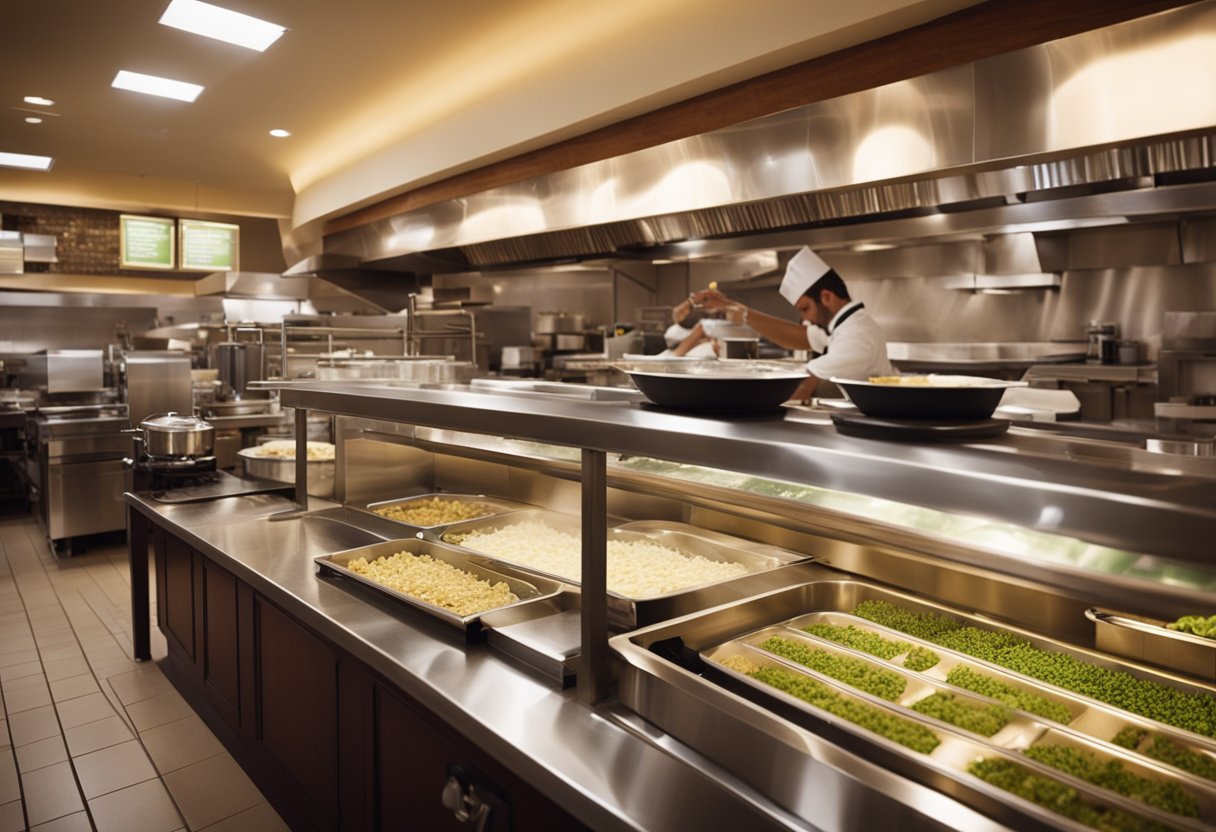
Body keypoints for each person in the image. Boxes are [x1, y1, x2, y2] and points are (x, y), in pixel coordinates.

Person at [691, 246, 892, 401]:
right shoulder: (844, 326)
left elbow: (800, 385)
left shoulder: (857, 335)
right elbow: (797, 337)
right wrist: (733, 307)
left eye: (805, 308)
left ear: (826, 297)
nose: (805, 319)